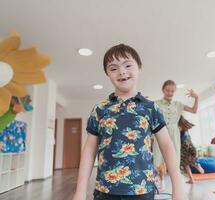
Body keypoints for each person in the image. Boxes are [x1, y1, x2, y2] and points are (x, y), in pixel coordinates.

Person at [72, 44, 185, 200]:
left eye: (127, 65)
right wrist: (80, 191)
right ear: (107, 74)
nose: (122, 72)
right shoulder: (100, 109)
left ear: (139, 67)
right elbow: (89, 150)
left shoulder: (151, 107)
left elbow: (167, 146)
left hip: (143, 190)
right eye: (113, 68)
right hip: (105, 190)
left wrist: (178, 188)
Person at [152, 80, 198, 191]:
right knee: (158, 158)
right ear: (163, 90)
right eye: (167, 90)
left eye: (172, 91)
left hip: (174, 134)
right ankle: (161, 181)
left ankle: (176, 186)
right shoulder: (156, 104)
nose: (170, 93)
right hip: (160, 132)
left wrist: (196, 98)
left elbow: (193, 110)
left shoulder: (178, 104)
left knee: (174, 159)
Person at [178, 116, 204, 184]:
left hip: (184, 145)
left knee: (185, 162)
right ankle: (191, 179)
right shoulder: (185, 127)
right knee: (185, 163)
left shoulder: (179, 127)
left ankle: (196, 165)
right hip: (189, 144)